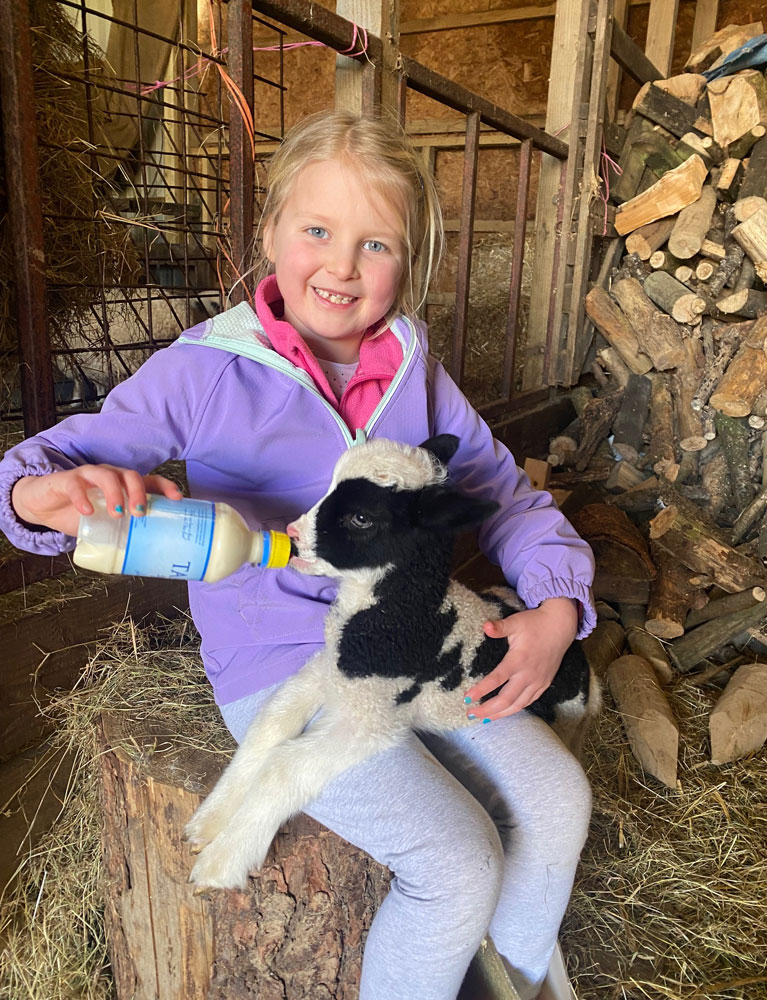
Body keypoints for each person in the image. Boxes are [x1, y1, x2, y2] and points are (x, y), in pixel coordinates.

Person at [0, 110, 596, 1000]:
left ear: (412, 260)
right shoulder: (203, 371)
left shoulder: (415, 373)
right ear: (270, 230)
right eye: (316, 230)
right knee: (456, 859)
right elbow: (47, 463)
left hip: (415, 637)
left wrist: (555, 607)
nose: (342, 266)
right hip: (282, 663)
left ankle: (509, 978)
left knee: (557, 800)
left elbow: (505, 494)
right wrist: (37, 494)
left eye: (376, 243)